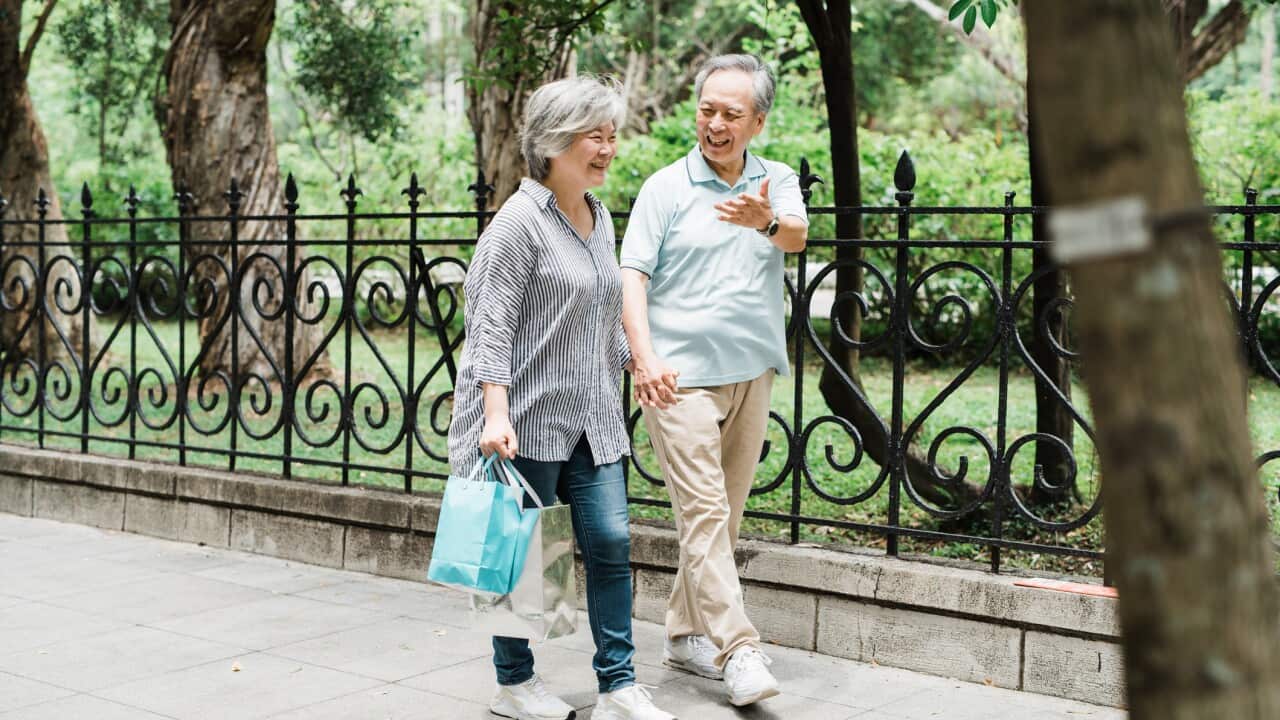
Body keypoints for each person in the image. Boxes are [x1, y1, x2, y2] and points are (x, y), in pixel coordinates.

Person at [447, 76, 675, 720]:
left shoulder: (599, 217)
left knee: (610, 540)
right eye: (593, 136)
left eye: (611, 135)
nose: (607, 148)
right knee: (526, 551)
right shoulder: (517, 225)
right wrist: (494, 414)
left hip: (592, 414)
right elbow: (490, 326)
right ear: (553, 143)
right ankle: (514, 684)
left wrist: (638, 364)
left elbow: (601, 317)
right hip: (526, 418)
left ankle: (618, 686)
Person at [619, 54, 808, 708]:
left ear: (758, 119)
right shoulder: (665, 187)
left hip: (751, 371)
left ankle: (683, 633)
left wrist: (766, 222)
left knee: (721, 521)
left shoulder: (775, 180)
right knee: (702, 511)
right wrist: (643, 357)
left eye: (731, 113)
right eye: (707, 109)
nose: (715, 123)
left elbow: (798, 237)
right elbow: (632, 276)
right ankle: (738, 648)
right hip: (678, 378)